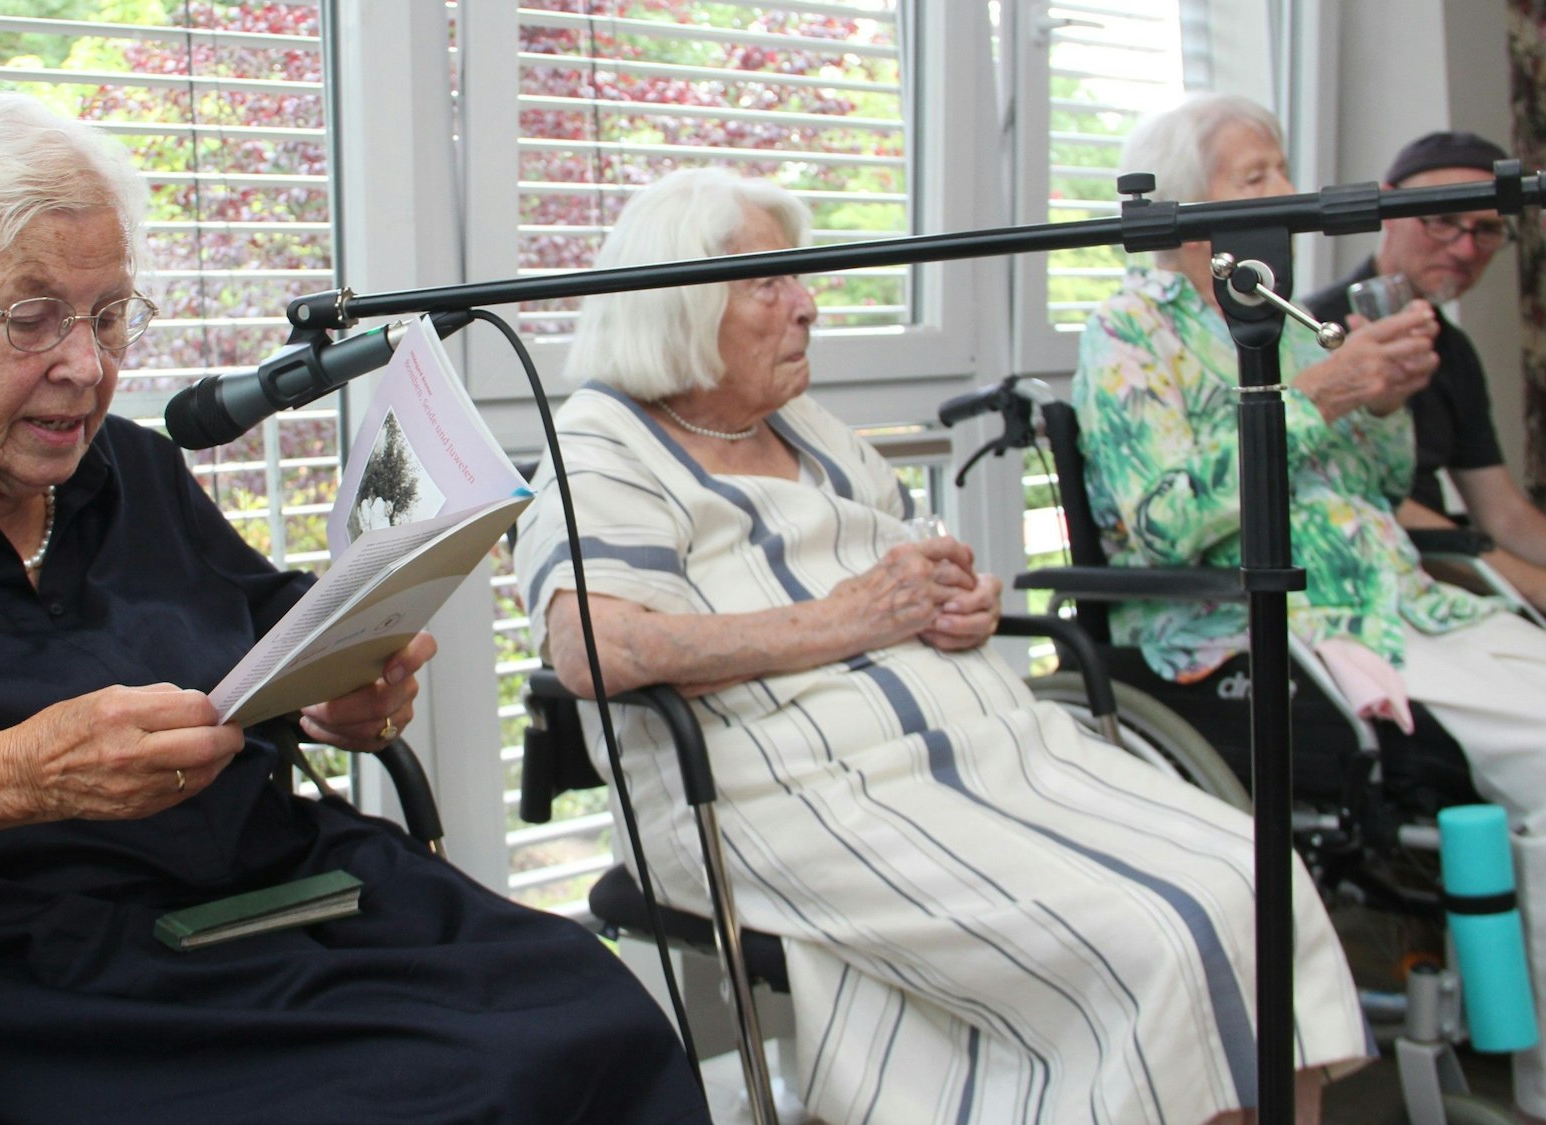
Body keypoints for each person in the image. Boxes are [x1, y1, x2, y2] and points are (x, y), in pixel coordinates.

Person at [0, 92, 707, 1125]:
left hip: (270, 904)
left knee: (593, 1019)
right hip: (7, 973)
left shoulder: (130, 472)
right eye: (32, 317)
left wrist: (347, 693)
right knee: (430, 1098)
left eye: (111, 316)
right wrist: (11, 776)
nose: (85, 365)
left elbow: (277, 648)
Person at [515, 165, 1369, 1125]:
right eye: (772, 285)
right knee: (1153, 934)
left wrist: (963, 597)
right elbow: (600, 646)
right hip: (794, 793)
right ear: (676, 306)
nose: (807, 307)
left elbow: (910, 559)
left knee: (1258, 875)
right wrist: (851, 618)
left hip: (992, 750)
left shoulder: (806, 425)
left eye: (803, 278)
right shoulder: (603, 445)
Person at [1074, 93, 1546, 1123]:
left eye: (1281, 167)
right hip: (1287, 627)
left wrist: (1376, 406)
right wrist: (1321, 394)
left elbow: (1369, 486)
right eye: (1256, 175)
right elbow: (1161, 519)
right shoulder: (1128, 330)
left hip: (1399, 605)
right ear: (1185, 207)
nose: (1285, 192)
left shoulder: (1279, 316)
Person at [1302, 130, 1546, 614]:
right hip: (1363, 595)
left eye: (1487, 229)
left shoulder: (1452, 350)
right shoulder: (1313, 331)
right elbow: (1372, 500)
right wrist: (1535, 587)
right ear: (1388, 210)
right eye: (1443, 220)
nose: (1464, 248)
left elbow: (1501, 511)